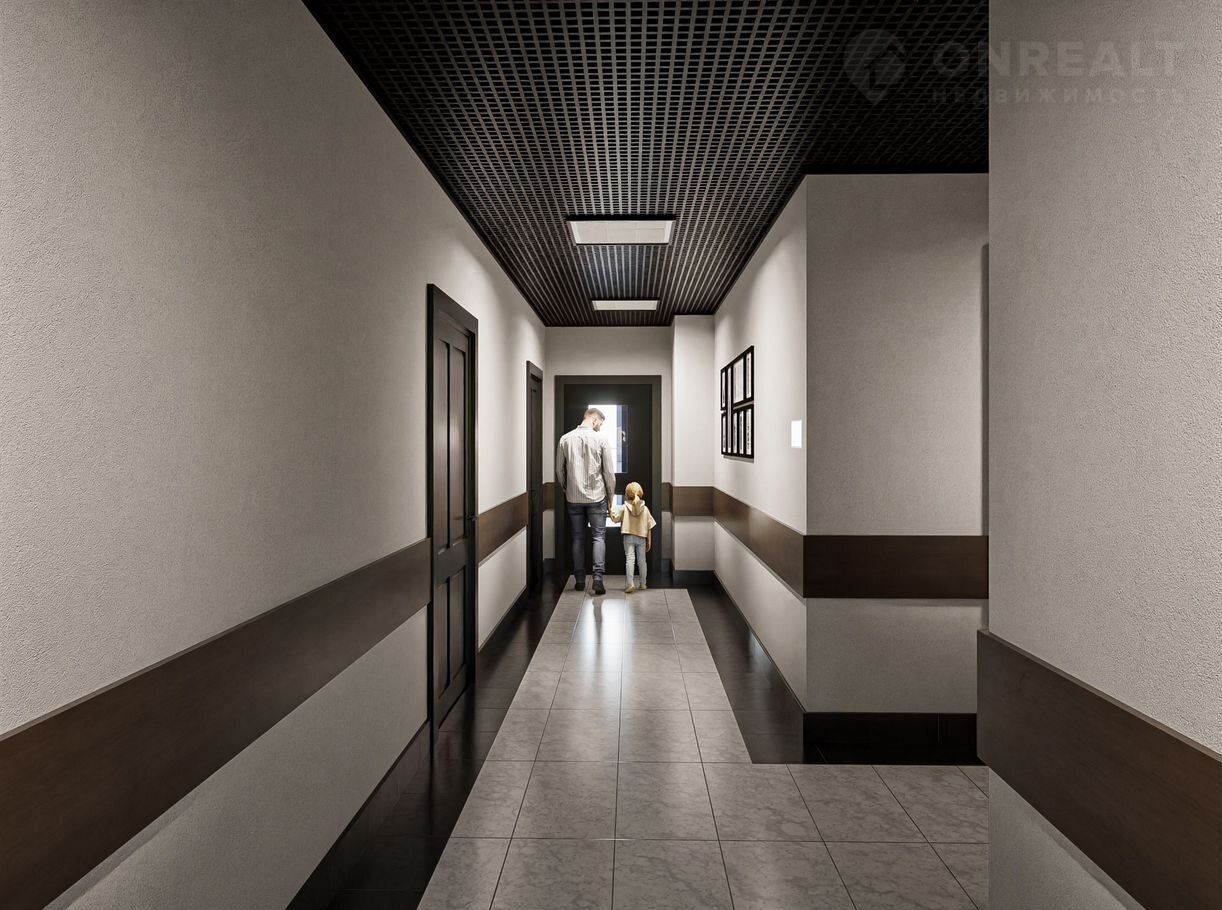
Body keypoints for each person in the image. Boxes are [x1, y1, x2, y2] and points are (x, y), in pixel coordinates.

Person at [555, 407, 617, 595]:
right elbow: (608, 472)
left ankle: (580, 580)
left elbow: (559, 470)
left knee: (577, 538)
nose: (600, 427)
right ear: (594, 420)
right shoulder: (601, 440)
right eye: (600, 424)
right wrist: (611, 495)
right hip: (597, 496)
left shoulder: (565, 439)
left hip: (573, 497)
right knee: (598, 537)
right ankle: (598, 579)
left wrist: (567, 488)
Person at [609, 481, 656, 593]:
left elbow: (615, 518)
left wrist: (609, 509)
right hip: (642, 537)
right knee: (642, 561)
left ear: (627, 494)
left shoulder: (624, 507)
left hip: (628, 537)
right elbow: (650, 526)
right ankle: (643, 584)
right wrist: (649, 540)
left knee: (630, 560)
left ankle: (630, 584)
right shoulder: (645, 509)